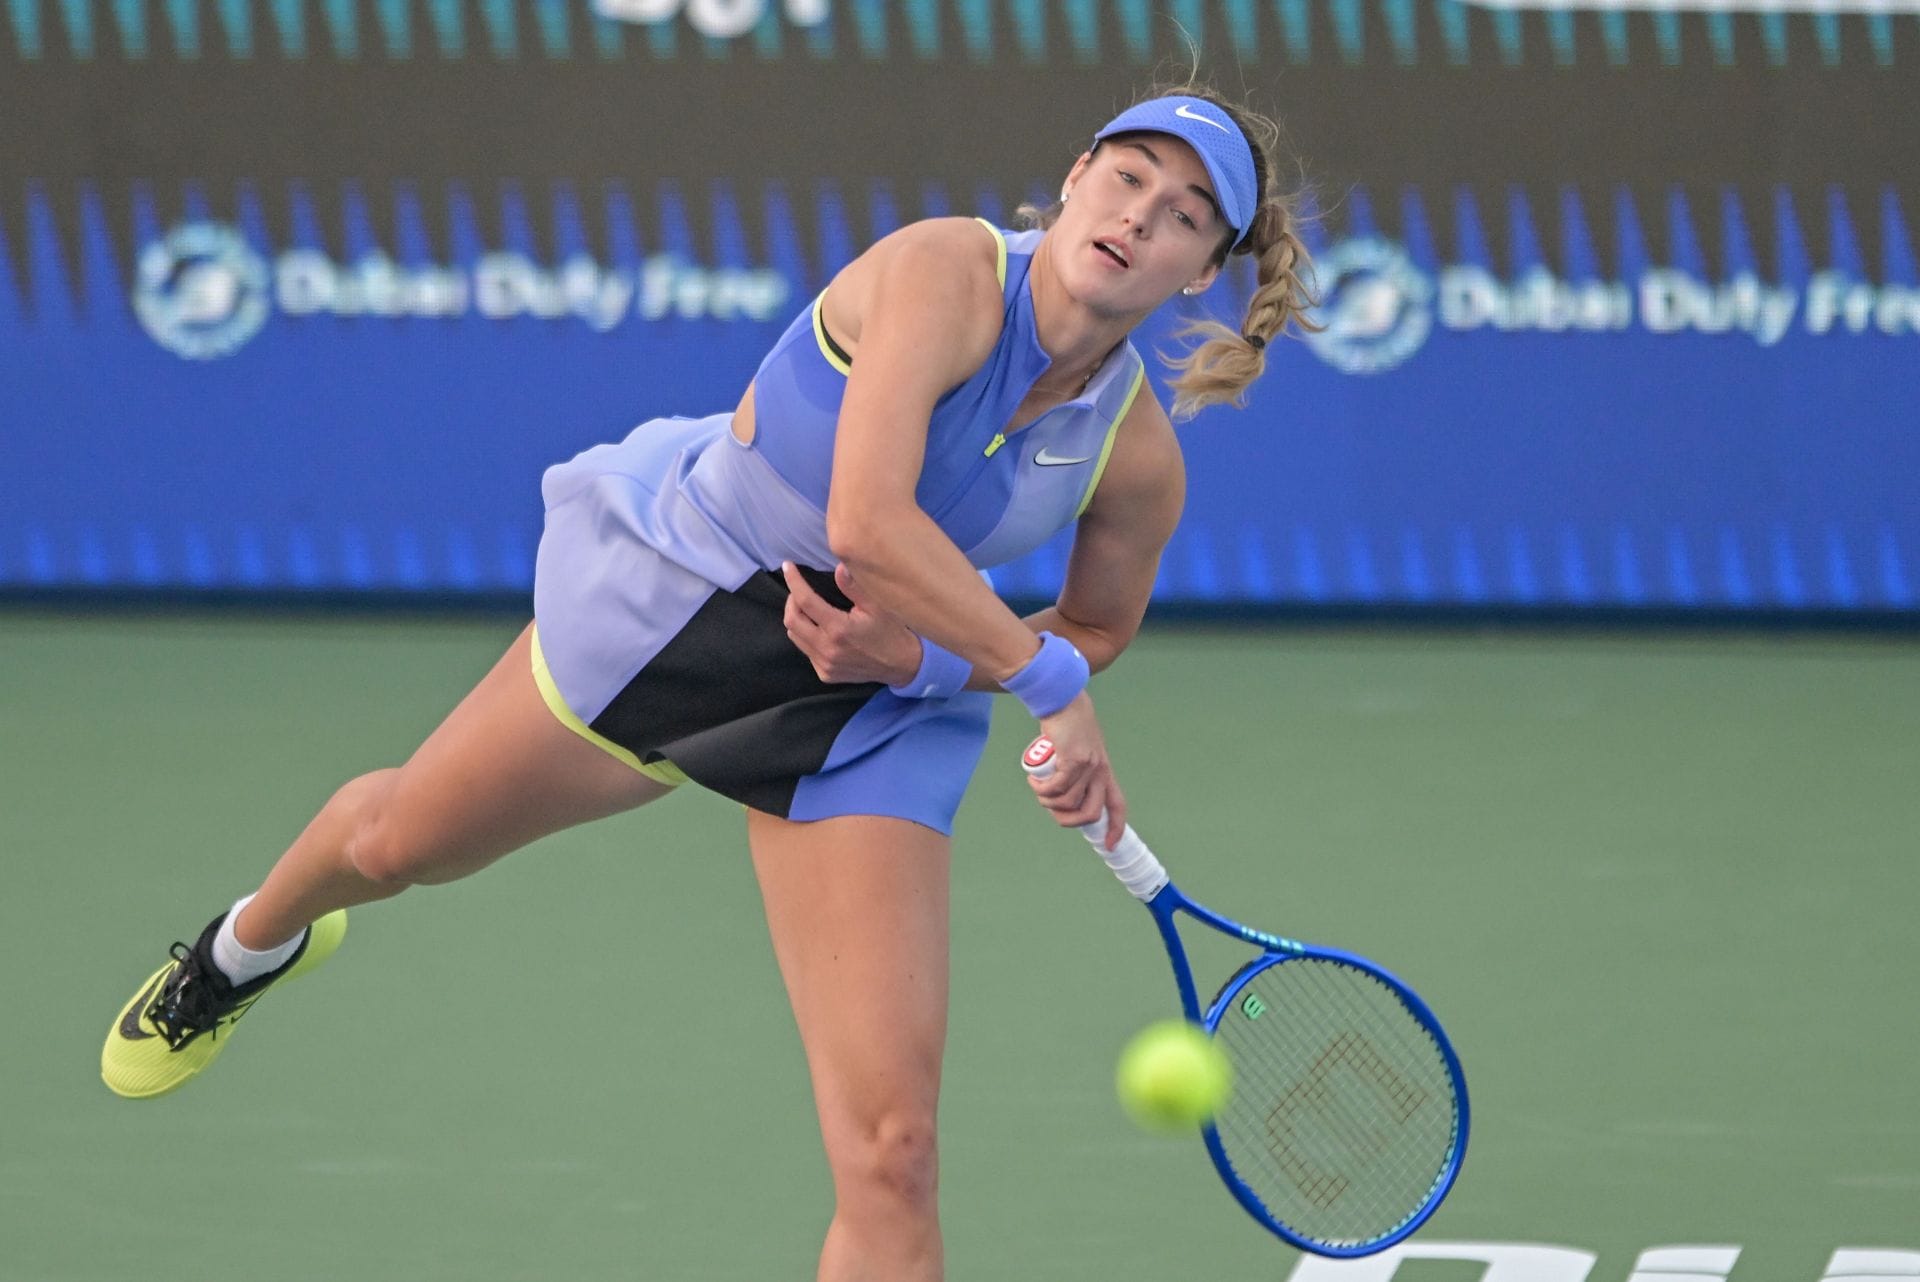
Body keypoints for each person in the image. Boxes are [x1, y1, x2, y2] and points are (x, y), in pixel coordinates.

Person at [101, 81, 1317, 1282]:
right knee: (393, 843)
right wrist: (1040, 679)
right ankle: (243, 949)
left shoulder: (1135, 453)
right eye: (1128, 176)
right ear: (1074, 178)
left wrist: (931, 661)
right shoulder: (943, 273)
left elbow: (1100, 623)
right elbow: (870, 525)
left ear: (1202, 269)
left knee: (892, 1157)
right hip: (682, 607)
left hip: (868, 710)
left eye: (1187, 212)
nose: (1141, 215)